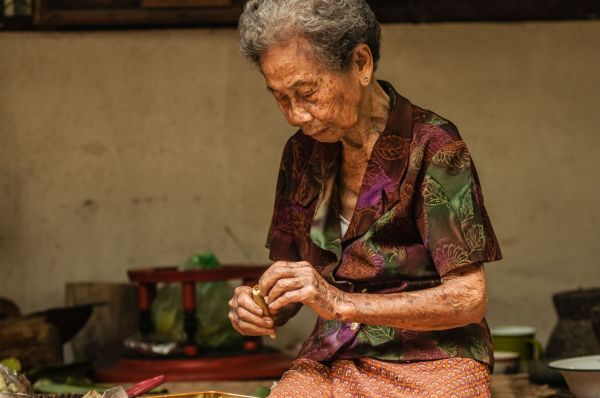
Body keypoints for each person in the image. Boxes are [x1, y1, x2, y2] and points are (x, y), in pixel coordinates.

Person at [228, 0, 502, 396]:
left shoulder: (434, 147)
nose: (294, 115)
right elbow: (292, 278)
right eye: (280, 96)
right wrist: (260, 304)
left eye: (306, 92)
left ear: (360, 63)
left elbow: (469, 298)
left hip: (434, 359)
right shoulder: (302, 153)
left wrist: (339, 302)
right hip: (334, 359)